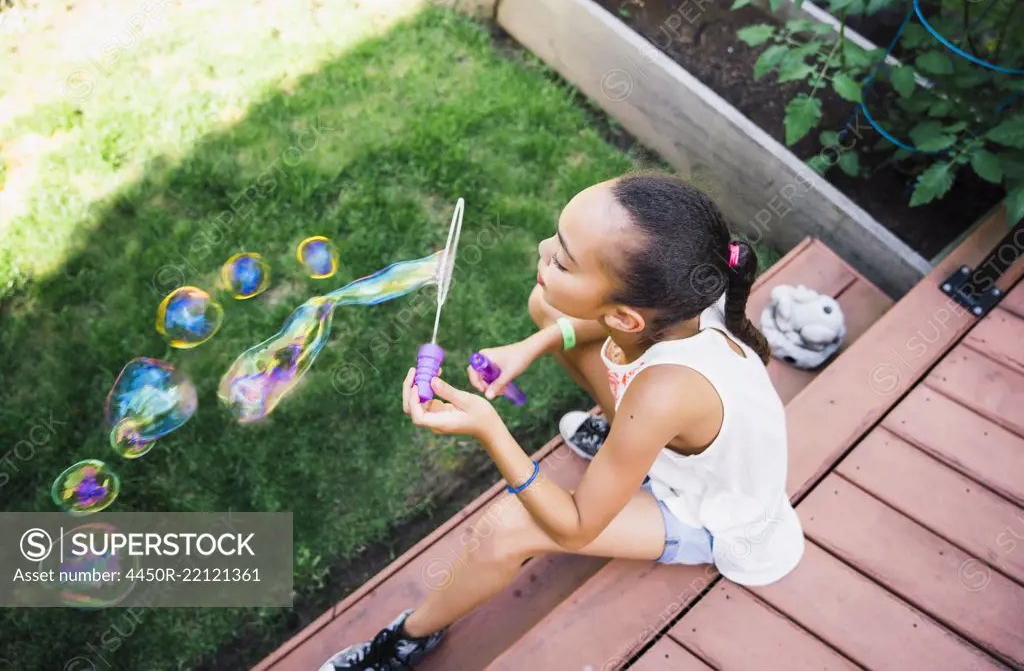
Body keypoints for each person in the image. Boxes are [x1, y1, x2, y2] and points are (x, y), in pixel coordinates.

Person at [319, 172, 805, 670]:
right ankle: (628, 456)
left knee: (508, 528)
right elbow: (593, 325)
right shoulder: (687, 300)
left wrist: (490, 428)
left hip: (710, 516)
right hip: (667, 446)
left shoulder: (665, 393)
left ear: (627, 319)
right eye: (556, 240)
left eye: (561, 260)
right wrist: (528, 348)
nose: (541, 247)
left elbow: (574, 529)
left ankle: (403, 642)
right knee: (545, 312)